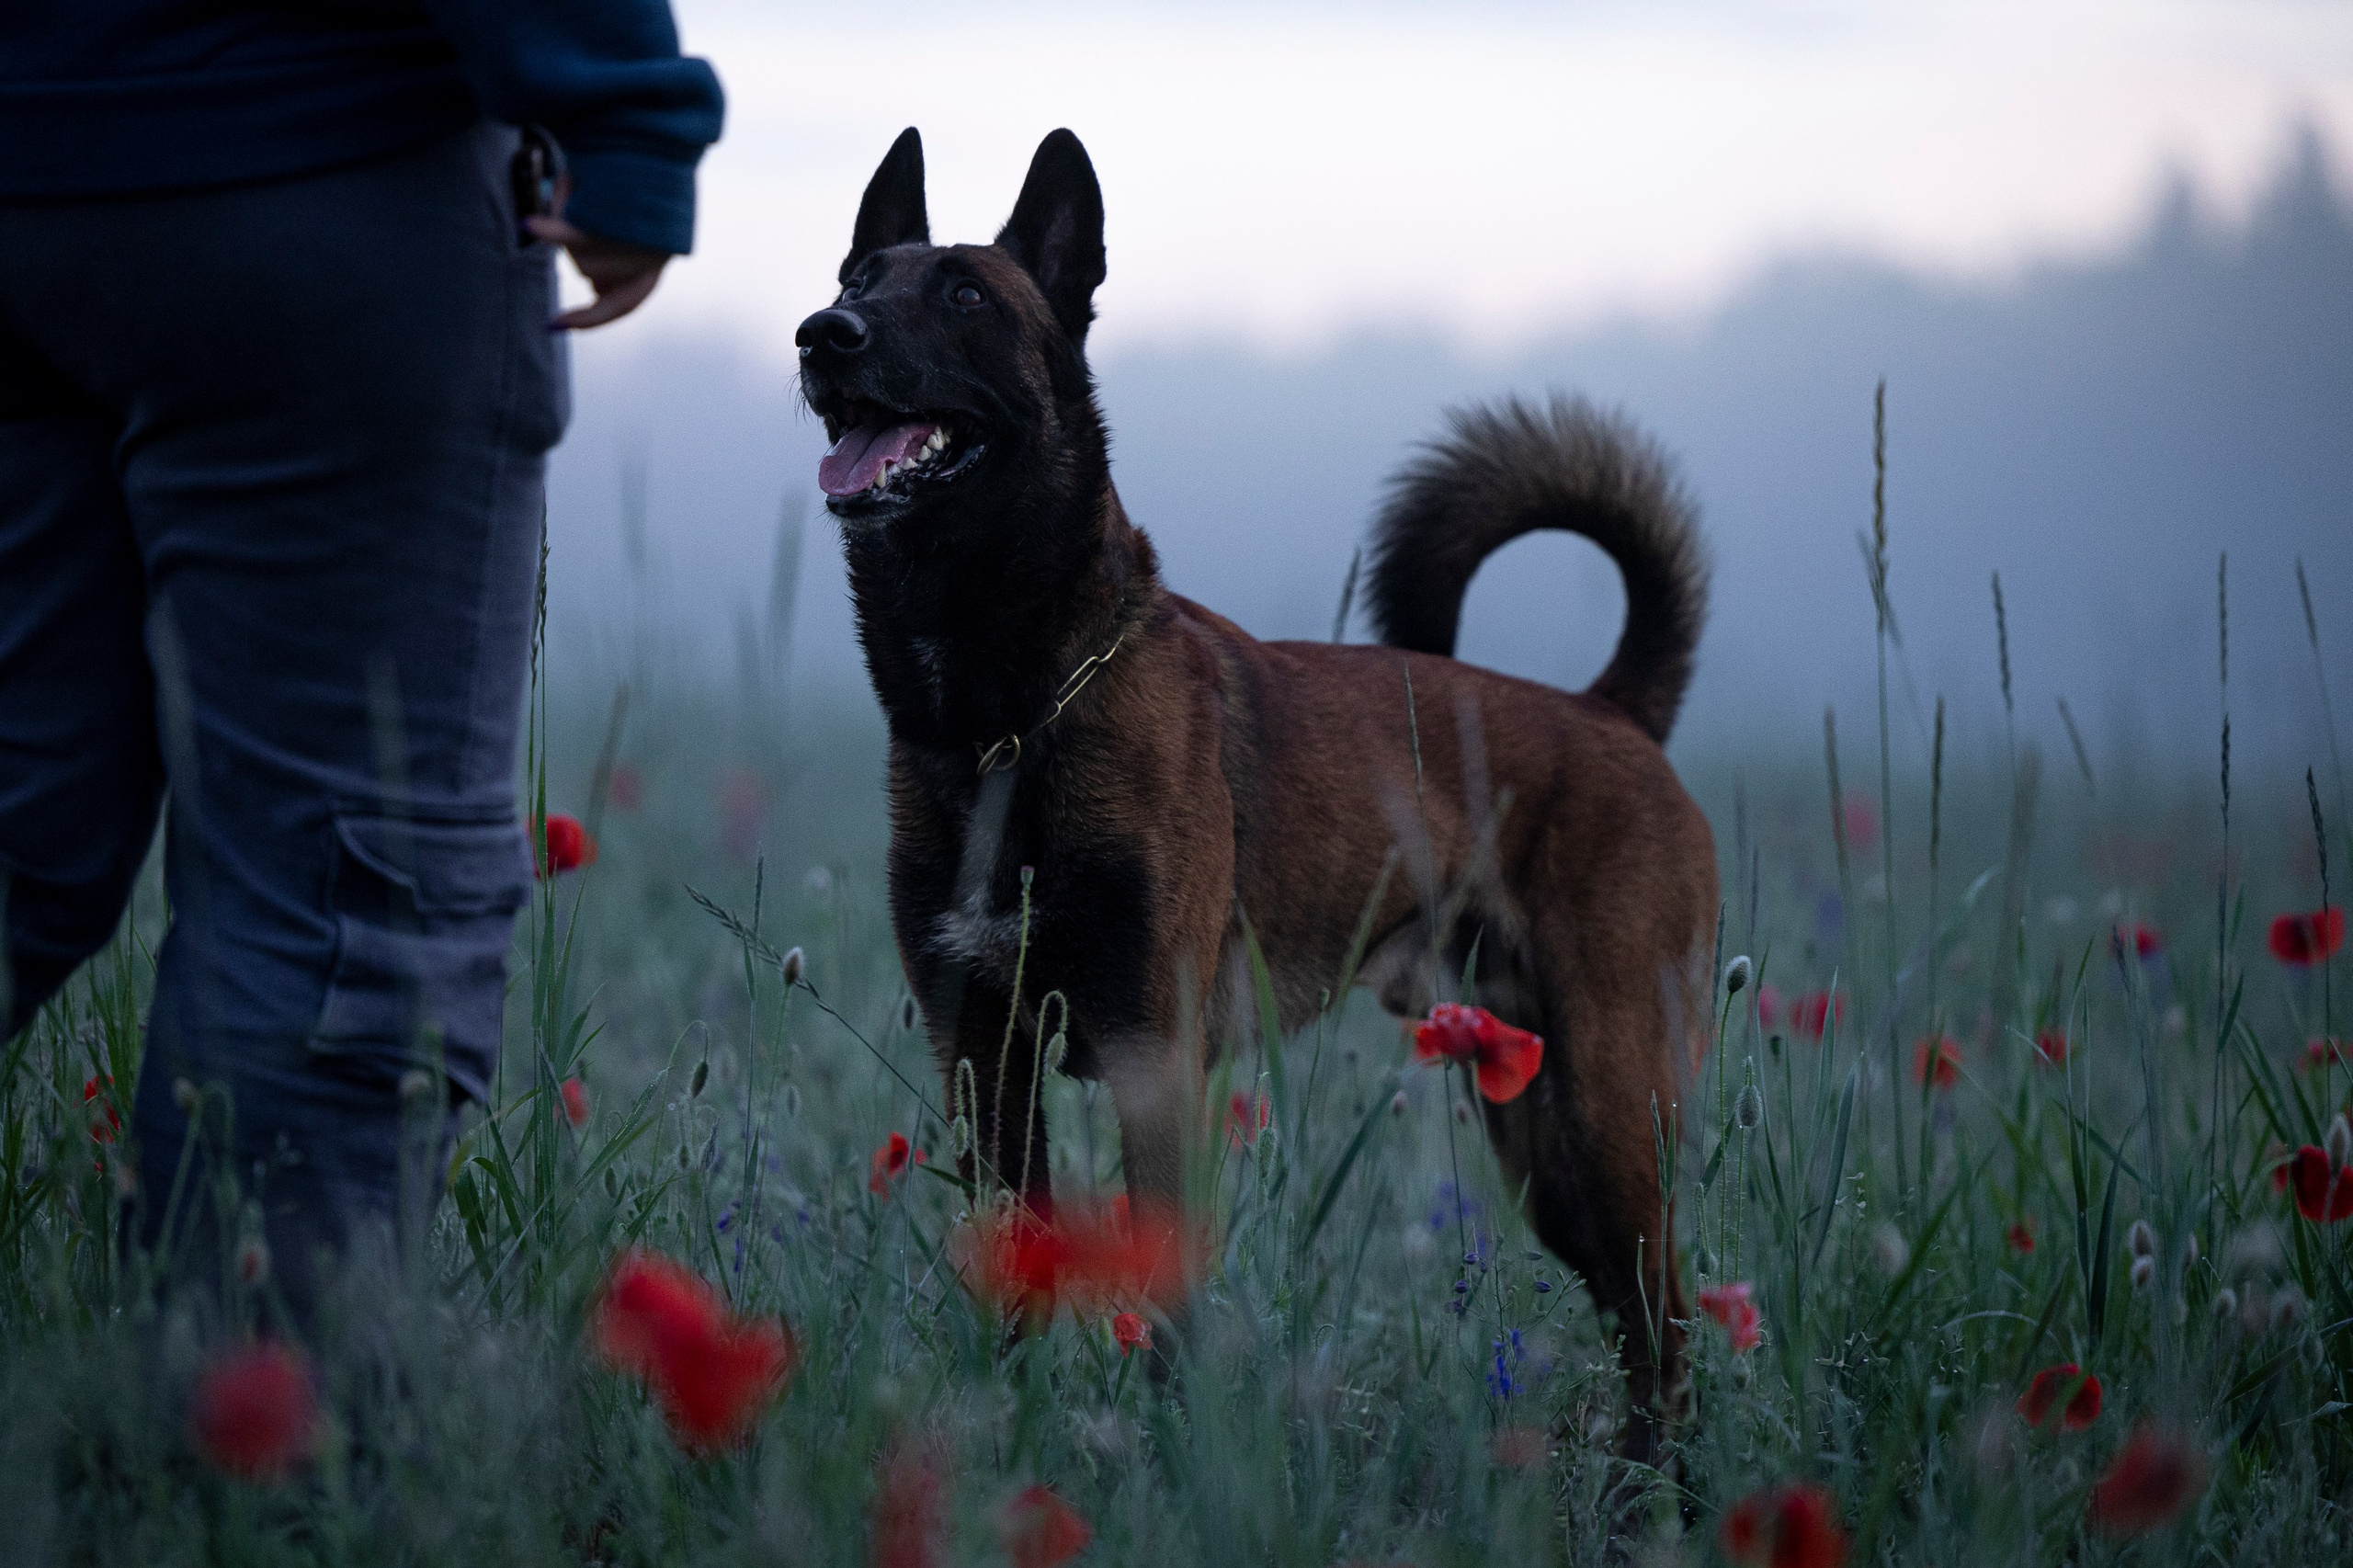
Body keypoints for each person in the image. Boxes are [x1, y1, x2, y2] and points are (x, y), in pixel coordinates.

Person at [0, 3, 722, 1319]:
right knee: (342, 891)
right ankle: (241, 1418)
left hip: (34, 172)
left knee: (18, 818)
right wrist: (622, 103)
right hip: (314, 158)